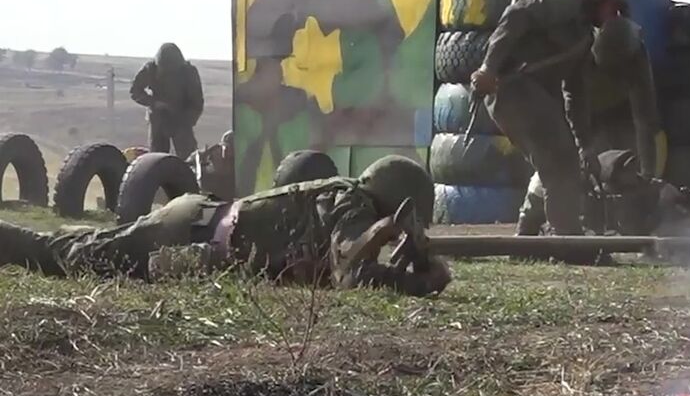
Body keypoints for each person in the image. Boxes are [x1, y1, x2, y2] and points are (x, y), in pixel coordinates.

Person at [0, 155, 451, 296]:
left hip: (200, 226)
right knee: (64, 257)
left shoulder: (344, 197)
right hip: (192, 231)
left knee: (83, 246)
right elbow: (351, 275)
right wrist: (412, 282)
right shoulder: (349, 201)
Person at [470, 0, 632, 236]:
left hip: (528, 95)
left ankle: (529, 231)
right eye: (612, 9)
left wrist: (585, 145)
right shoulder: (567, 3)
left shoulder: (583, 38)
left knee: (557, 157)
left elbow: (576, 95)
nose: (612, 18)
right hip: (510, 88)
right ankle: (565, 235)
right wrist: (489, 68)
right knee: (558, 157)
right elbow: (515, 15)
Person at [517, 16, 661, 236]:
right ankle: (530, 220)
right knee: (557, 163)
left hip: (612, 115)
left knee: (617, 170)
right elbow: (569, 101)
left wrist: (648, 175)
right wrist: (583, 145)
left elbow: (644, 118)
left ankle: (599, 222)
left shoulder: (636, 58)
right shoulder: (578, 49)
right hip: (568, 110)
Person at [130, 42, 204, 159]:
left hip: (181, 117)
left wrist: (187, 121)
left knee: (189, 158)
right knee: (157, 158)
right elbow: (135, 91)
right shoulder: (151, 69)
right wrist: (154, 103)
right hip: (158, 118)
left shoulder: (188, 72)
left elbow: (197, 101)